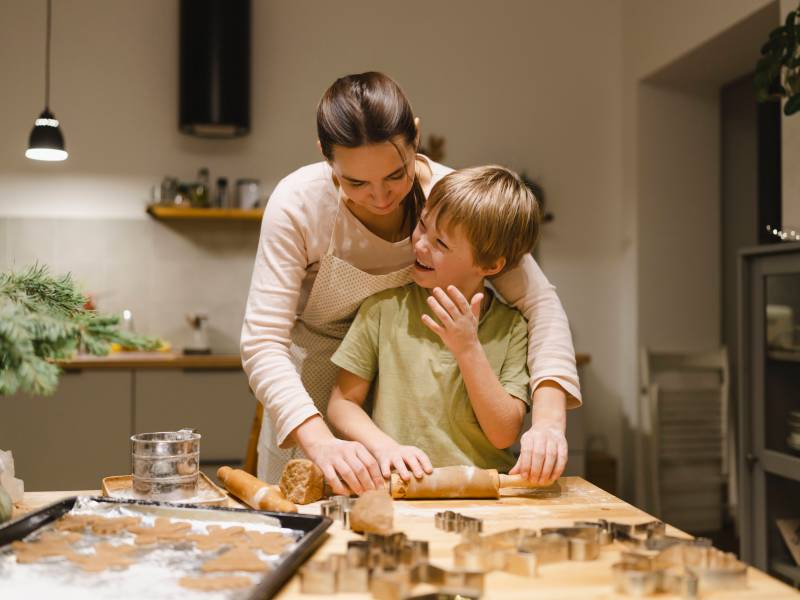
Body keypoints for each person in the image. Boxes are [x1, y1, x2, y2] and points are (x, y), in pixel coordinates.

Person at [241, 72, 581, 495]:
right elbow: (262, 342)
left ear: (415, 138)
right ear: (326, 157)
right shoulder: (299, 203)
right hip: (310, 383)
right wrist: (320, 440)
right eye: (355, 182)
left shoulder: (449, 202)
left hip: (403, 381)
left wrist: (548, 424)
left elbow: (540, 304)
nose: (381, 198)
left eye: (396, 175)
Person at [326, 166, 537, 479]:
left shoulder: (512, 328)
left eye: (442, 244)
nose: (421, 244)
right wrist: (385, 448)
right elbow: (342, 403)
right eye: (422, 226)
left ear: (490, 265)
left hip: (485, 495)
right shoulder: (382, 310)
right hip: (401, 488)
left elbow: (503, 434)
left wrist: (468, 348)